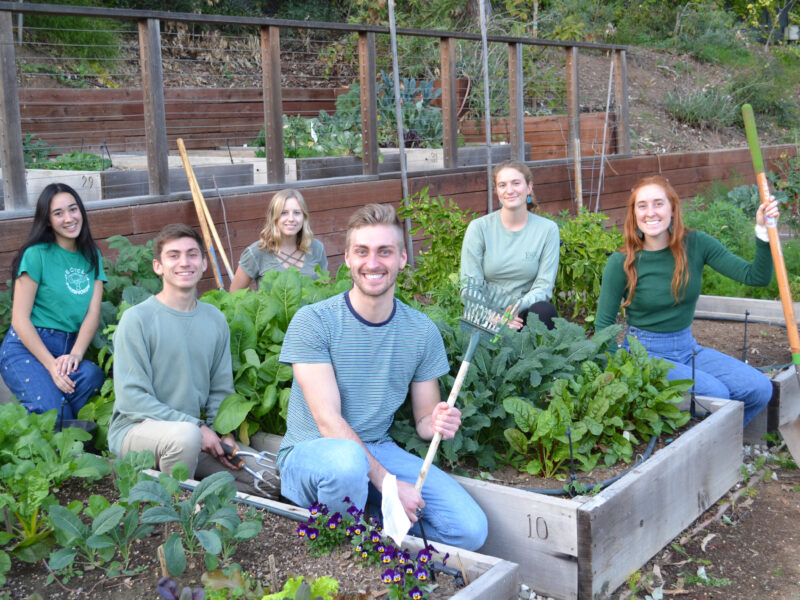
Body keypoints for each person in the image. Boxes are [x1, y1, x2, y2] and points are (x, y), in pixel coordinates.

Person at [278, 203, 487, 551]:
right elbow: (328, 421)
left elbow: (423, 419)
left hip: (377, 450)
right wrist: (390, 486)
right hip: (315, 453)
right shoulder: (313, 321)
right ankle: (341, 549)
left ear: (403, 258)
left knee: (469, 530)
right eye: (362, 251)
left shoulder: (421, 332)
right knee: (347, 464)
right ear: (347, 257)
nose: (372, 263)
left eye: (384, 252)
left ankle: (369, 529)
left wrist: (436, 421)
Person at [595, 175, 778, 427]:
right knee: (716, 395)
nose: (651, 213)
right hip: (643, 353)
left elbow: (755, 277)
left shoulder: (695, 244)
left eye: (658, 203)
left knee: (759, 388)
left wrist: (763, 230)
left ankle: (722, 443)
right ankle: (708, 444)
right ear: (634, 213)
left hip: (686, 347)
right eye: (642, 205)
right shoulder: (621, 262)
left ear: (672, 207)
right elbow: (603, 326)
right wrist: (618, 375)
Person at [108, 223, 271, 495]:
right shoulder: (137, 319)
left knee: (266, 480)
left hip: (193, 437)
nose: (184, 262)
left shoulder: (214, 319)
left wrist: (225, 434)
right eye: (174, 255)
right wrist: (196, 427)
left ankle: (192, 485)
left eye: (192, 254)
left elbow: (221, 391)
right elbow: (132, 399)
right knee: (185, 437)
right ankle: (174, 510)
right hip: (138, 430)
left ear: (204, 263)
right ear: (158, 266)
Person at [0, 183, 106, 421]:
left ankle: (50, 407)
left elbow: (93, 314)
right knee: (54, 414)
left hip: (67, 349)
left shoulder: (92, 255)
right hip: (27, 347)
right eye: (58, 213)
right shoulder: (36, 255)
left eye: (73, 209)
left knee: (92, 376)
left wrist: (76, 355)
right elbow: (19, 319)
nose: (69, 218)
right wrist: (50, 366)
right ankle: (53, 412)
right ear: (48, 221)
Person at [460, 160, 560, 330]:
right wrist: (492, 316)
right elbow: (470, 286)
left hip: (524, 314)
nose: (509, 190)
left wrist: (515, 309)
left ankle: (536, 355)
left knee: (544, 310)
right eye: (502, 185)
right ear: (497, 191)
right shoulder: (479, 228)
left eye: (516, 183)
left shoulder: (547, 230)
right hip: (487, 315)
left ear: (529, 187)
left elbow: (544, 286)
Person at [230, 188, 327, 291]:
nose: (291, 219)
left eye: (297, 213)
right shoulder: (256, 252)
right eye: (284, 213)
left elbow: (325, 290)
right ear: (274, 217)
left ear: (304, 217)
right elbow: (234, 296)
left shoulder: (317, 248)